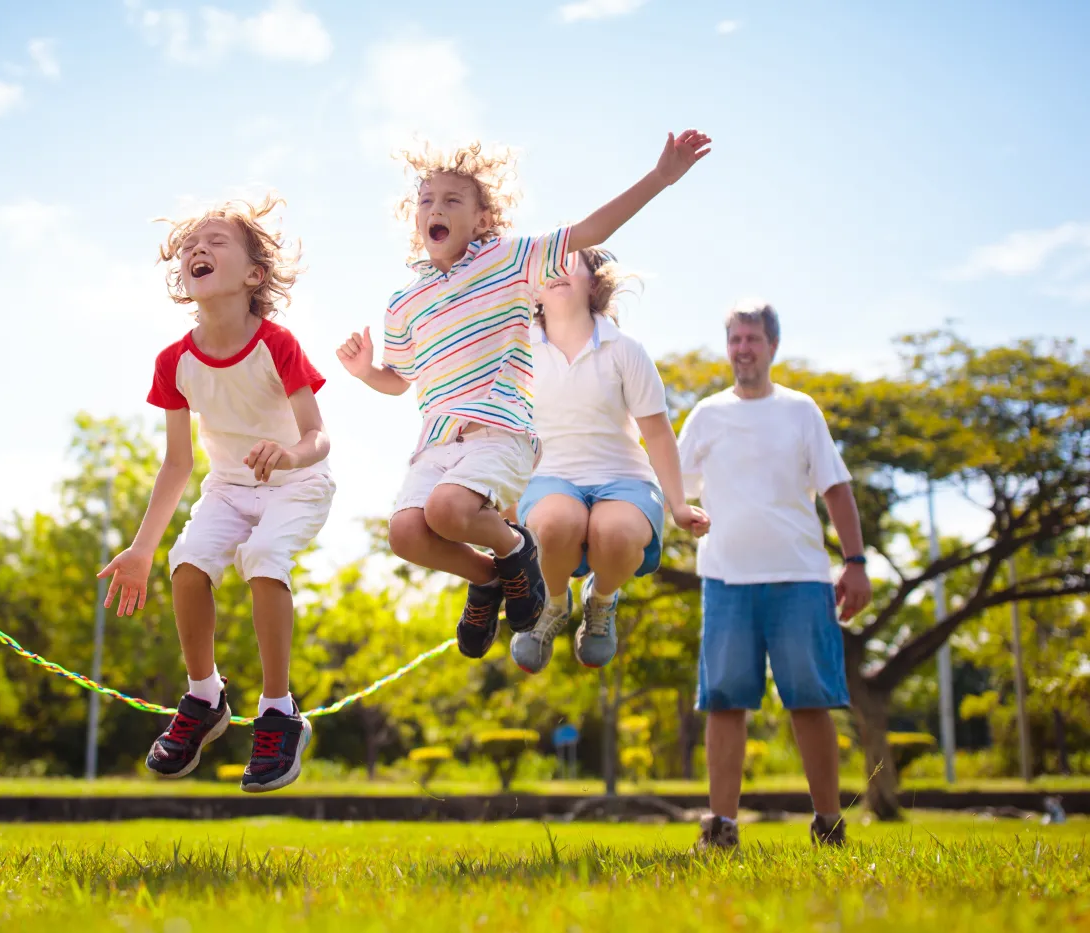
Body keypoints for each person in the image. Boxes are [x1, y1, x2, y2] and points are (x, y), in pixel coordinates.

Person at [337, 131, 712, 659]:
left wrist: (659, 178)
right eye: (426, 201)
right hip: (439, 441)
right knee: (405, 533)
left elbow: (589, 231)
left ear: (482, 219)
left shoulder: (509, 261)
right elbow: (398, 380)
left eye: (451, 200)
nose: (435, 209)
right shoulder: (404, 302)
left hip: (501, 432)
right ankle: (491, 577)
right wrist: (364, 372)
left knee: (448, 510)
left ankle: (519, 548)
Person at [98, 197, 333, 793]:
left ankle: (280, 711)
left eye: (216, 241)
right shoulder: (174, 362)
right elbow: (178, 462)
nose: (197, 249)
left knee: (261, 559)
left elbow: (317, 435)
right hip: (228, 488)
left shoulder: (276, 343)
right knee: (186, 564)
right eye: (189, 246)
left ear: (255, 274)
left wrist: (289, 455)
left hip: (297, 484)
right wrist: (140, 549)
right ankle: (205, 698)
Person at [677, 301, 872, 849]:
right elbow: (673, 484)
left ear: (773, 346)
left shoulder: (800, 410)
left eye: (754, 339)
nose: (744, 348)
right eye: (736, 339)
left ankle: (829, 823)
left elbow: (835, 488)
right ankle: (721, 826)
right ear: (728, 346)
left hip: (801, 577)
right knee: (723, 701)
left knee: (810, 699)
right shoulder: (707, 415)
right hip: (725, 579)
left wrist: (855, 563)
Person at [509, 246, 710, 675]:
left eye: (569, 262)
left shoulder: (625, 350)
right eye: (548, 265)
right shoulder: (518, 350)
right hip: (550, 478)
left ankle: (600, 602)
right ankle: (555, 604)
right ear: (534, 288)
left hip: (624, 480)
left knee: (616, 534)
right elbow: (499, 428)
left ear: (593, 282)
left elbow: (656, 432)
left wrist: (677, 505)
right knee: (556, 524)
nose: (557, 270)